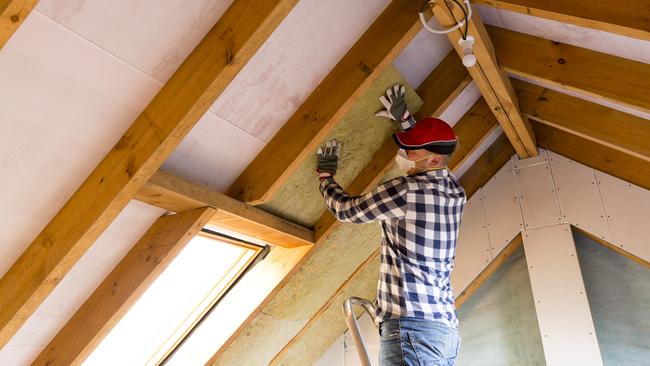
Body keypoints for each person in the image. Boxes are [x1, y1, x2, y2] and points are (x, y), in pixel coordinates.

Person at [316, 84, 466, 366]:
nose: (404, 155)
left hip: (411, 328)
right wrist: (406, 120)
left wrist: (325, 177)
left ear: (433, 159)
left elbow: (348, 211)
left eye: (411, 151)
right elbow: (433, 151)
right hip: (444, 332)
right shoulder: (456, 192)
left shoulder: (406, 191)